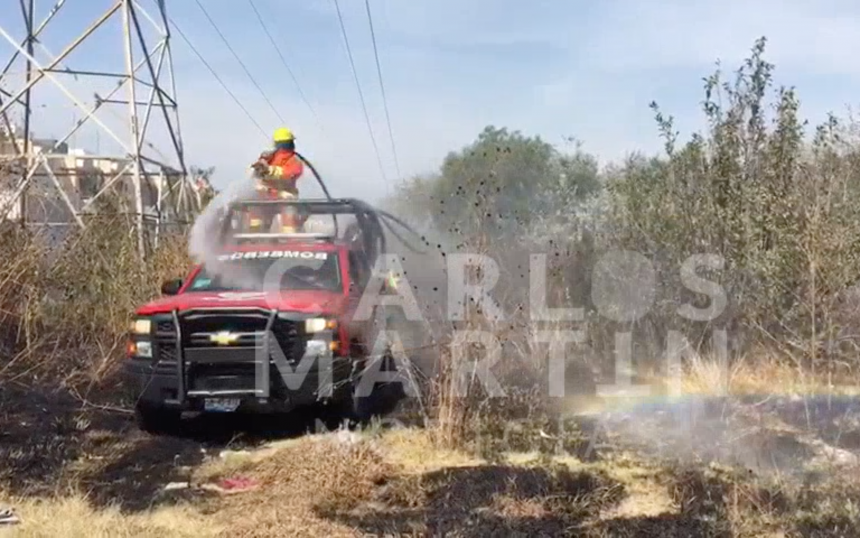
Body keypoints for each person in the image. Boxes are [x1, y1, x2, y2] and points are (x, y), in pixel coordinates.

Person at [248, 127, 306, 233]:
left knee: (288, 216)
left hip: (285, 197)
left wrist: (269, 170)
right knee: (255, 210)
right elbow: (255, 172)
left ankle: (255, 237)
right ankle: (255, 236)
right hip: (267, 197)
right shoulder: (269, 158)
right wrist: (257, 168)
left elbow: (289, 173)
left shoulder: (293, 160)